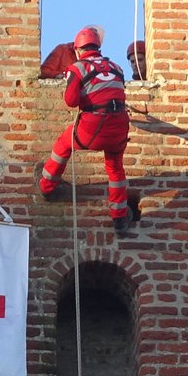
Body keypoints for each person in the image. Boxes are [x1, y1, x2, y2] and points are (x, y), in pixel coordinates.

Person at [39, 25, 134, 232]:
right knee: (115, 167)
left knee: (63, 144)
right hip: (119, 125)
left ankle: (46, 185)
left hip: (94, 126)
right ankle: (119, 216)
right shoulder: (117, 67)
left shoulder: (78, 67)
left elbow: (71, 102)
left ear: (78, 49)